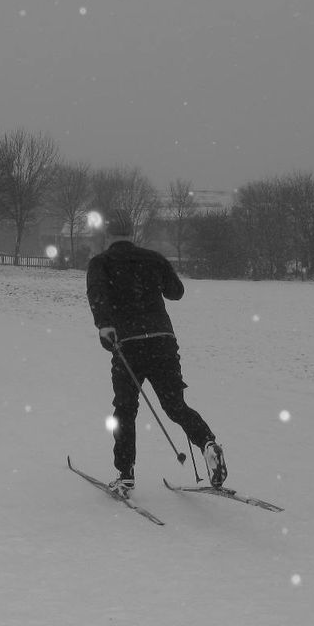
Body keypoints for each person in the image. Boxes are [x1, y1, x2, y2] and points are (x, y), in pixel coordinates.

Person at [86, 209, 226, 493]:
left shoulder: (101, 263)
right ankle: (208, 443)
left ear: (109, 235)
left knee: (125, 409)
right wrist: (153, 275)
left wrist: (105, 326)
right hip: (162, 341)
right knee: (175, 405)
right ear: (132, 234)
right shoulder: (153, 258)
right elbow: (176, 291)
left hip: (128, 343)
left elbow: (98, 296)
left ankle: (125, 474)